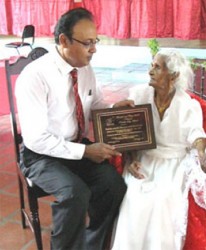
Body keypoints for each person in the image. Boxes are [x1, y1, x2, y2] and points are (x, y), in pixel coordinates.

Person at [15, 7, 132, 250]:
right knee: (74, 194)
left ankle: (93, 244)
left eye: (95, 41)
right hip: (40, 155)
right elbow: (36, 139)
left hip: (75, 145)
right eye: (87, 42)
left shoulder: (85, 68)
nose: (94, 49)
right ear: (64, 41)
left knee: (114, 186)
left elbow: (94, 102)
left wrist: (112, 107)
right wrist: (86, 152)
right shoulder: (34, 77)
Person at [111, 49, 206, 250]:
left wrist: (202, 151)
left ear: (174, 75)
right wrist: (132, 159)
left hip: (174, 162)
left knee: (164, 197)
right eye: (151, 65)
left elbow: (196, 135)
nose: (150, 71)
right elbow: (130, 133)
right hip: (143, 158)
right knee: (132, 195)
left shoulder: (188, 105)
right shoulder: (139, 95)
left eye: (157, 67)